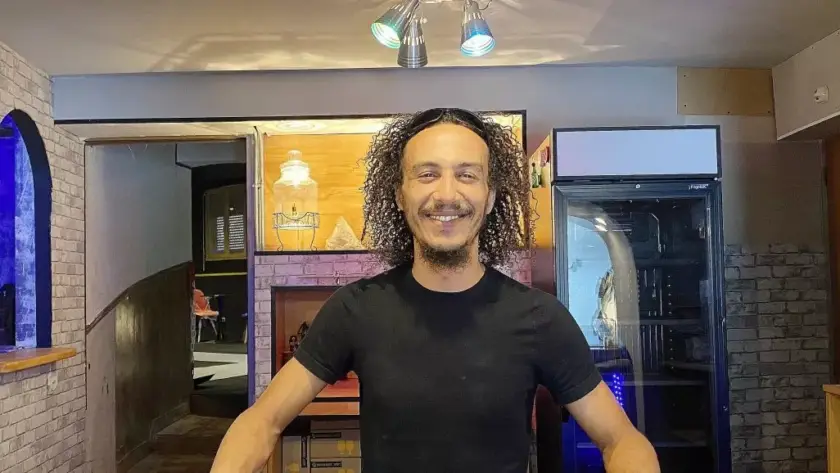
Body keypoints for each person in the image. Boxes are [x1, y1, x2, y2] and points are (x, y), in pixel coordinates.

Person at [210, 108, 660, 473]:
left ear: (490, 196)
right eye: (427, 174)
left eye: (467, 175)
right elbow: (262, 421)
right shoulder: (354, 310)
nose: (446, 194)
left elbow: (620, 440)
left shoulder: (541, 317)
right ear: (400, 194)